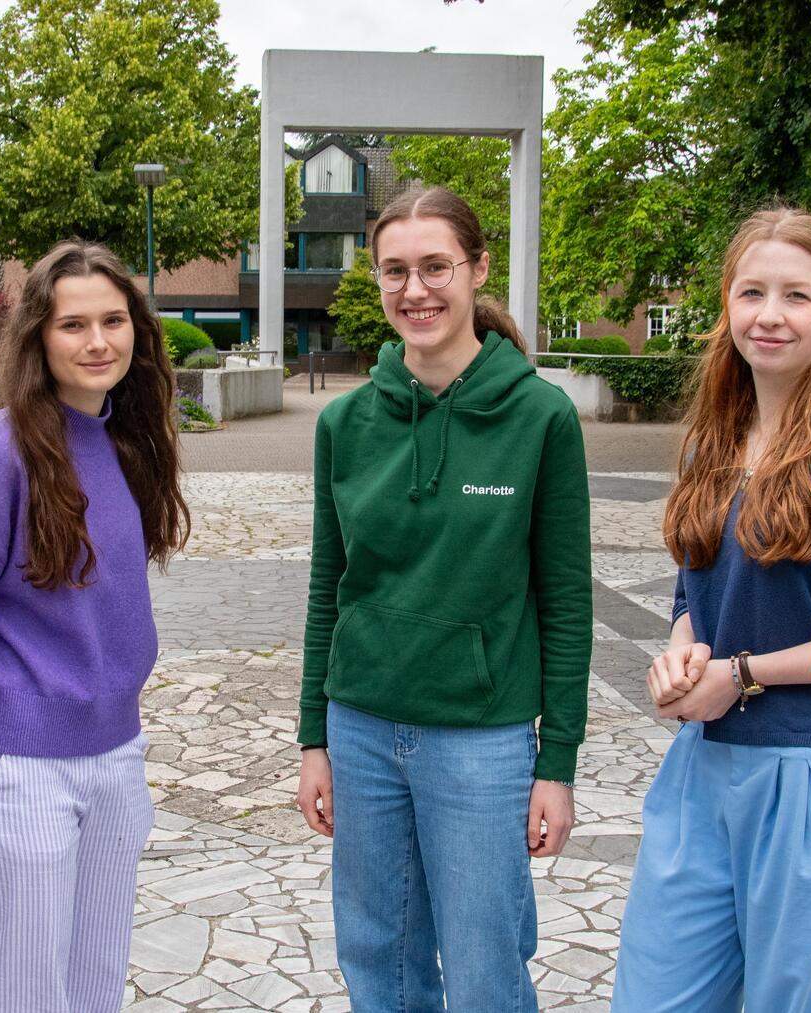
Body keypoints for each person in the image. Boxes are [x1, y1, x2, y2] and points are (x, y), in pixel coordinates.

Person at [295, 186, 593, 1011]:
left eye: (436, 267)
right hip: (359, 729)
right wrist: (313, 737)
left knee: (484, 964)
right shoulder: (345, 423)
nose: (415, 290)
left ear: (478, 269)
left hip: (482, 739)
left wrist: (557, 762)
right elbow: (331, 585)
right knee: (378, 958)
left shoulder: (540, 418)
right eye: (395, 270)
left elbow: (566, 601)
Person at [613, 208, 811, 1012]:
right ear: (727, 305)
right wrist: (682, 656)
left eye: (796, 295)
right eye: (752, 292)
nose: (770, 314)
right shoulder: (718, 435)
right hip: (703, 768)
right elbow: (694, 592)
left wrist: (740, 675)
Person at [0, 238, 189, 1012]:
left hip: (116, 754)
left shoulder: (129, 440)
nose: (98, 341)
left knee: (95, 985)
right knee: (30, 992)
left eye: (114, 320)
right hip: (20, 766)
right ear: (38, 336)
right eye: (73, 325)